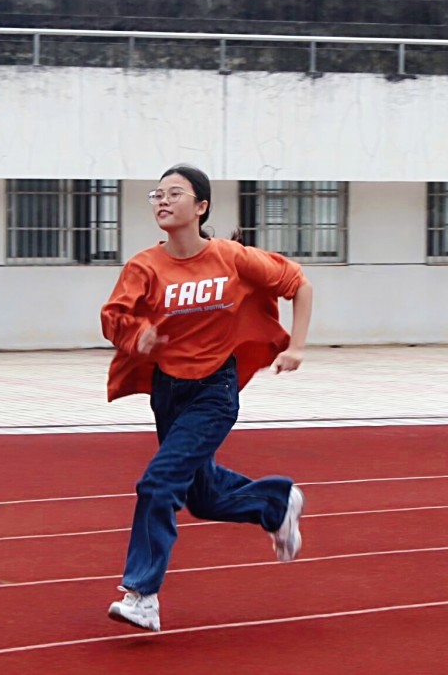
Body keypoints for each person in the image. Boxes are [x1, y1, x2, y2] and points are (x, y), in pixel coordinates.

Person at [100, 164, 313, 633]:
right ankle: (276, 502)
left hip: (214, 392)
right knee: (202, 496)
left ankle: (143, 595)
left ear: (201, 207)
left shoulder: (232, 258)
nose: (162, 200)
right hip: (168, 392)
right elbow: (113, 317)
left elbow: (298, 284)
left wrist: (295, 346)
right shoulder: (144, 266)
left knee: (158, 485)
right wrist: (139, 335)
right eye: (157, 194)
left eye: (175, 193)